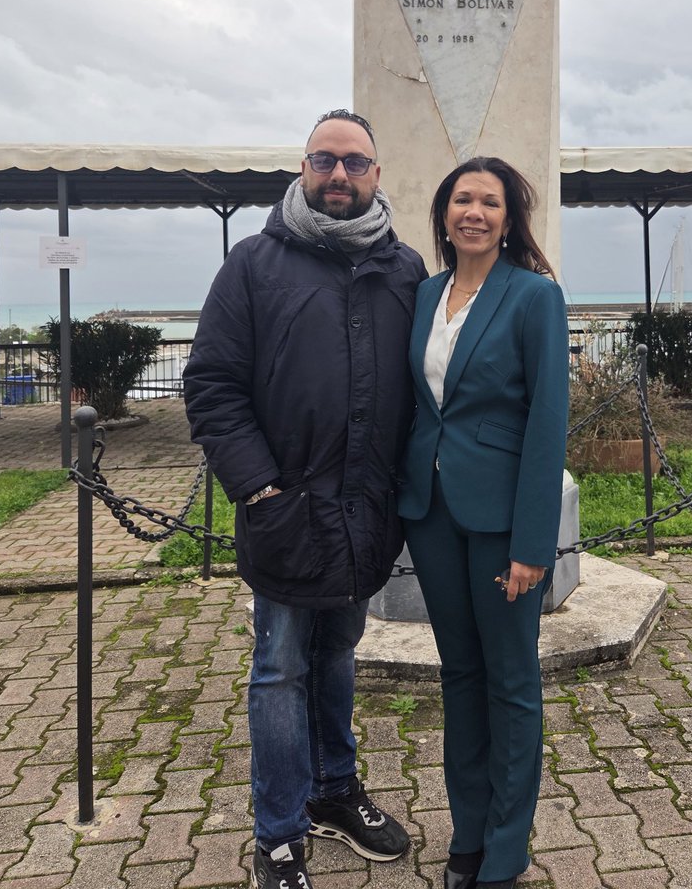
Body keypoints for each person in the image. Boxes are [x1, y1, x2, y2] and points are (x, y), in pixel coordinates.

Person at [183, 109, 426, 889]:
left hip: (365, 515)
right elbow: (212, 386)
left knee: (338, 655)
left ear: (377, 173)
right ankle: (279, 834)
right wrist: (260, 489)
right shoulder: (254, 265)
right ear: (303, 168)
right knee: (280, 669)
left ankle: (333, 791)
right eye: (324, 160)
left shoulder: (406, 270)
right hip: (284, 512)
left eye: (354, 162)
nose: (339, 174)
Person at [398, 157, 569, 889]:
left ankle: (504, 850)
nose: (474, 212)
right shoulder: (424, 294)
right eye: (462, 199)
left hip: (502, 523)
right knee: (460, 676)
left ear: (508, 219)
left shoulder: (534, 296)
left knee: (511, 681)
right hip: (432, 513)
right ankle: (466, 834)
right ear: (444, 214)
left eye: (489, 202)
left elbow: (547, 422)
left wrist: (534, 543)